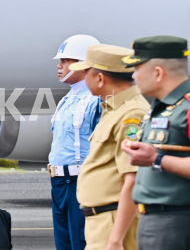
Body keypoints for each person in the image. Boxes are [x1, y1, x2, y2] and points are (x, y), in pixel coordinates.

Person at [66, 44, 148, 250]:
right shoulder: (113, 108)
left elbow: (134, 179)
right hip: (102, 219)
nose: (84, 79)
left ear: (100, 78)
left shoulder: (132, 113)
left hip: (114, 220)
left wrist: (115, 239)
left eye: (86, 73)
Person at [120, 36, 190, 250]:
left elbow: (157, 158)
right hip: (154, 220)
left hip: (177, 222)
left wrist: (156, 159)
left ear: (158, 73)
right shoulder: (160, 107)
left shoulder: (186, 108)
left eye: (137, 68)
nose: (133, 76)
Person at [49, 34, 103, 250]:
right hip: (59, 182)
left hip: (80, 181)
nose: (59, 66)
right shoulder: (66, 99)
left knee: (81, 242)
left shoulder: (96, 99)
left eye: (66, 61)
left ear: (85, 64)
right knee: (64, 243)